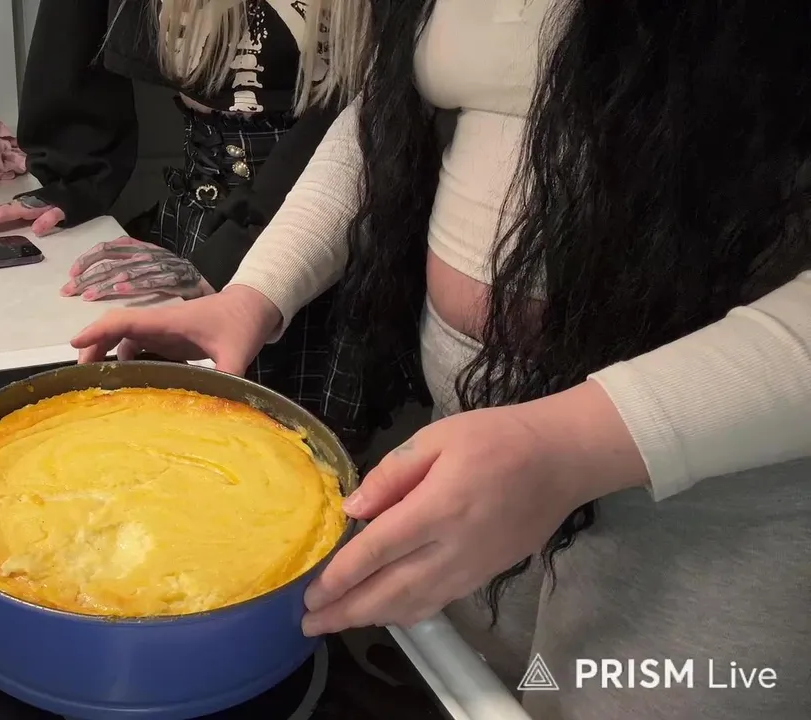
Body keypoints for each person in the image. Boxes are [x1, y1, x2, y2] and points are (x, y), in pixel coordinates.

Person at [72, 1, 811, 718]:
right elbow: (386, 120)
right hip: (478, 455)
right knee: (488, 688)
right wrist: (256, 292)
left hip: (707, 499)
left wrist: (572, 443)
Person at [0, 0, 382, 450]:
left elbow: (374, 114)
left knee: (298, 452)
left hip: (329, 230)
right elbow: (74, 24)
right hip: (196, 215)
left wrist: (235, 252)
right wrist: (71, 175)